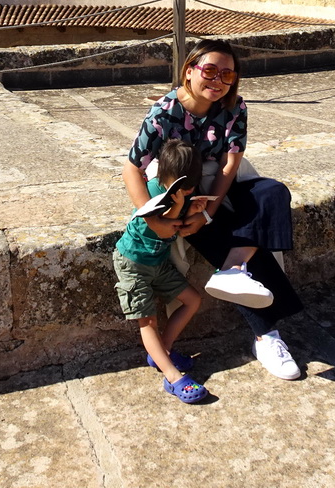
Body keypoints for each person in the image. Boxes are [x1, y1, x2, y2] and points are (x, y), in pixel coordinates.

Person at [123, 38, 303, 380]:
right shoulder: (164, 112)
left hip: (220, 186)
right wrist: (152, 216)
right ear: (189, 71)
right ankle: (267, 334)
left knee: (273, 194)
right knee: (229, 233)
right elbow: (132, 167)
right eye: (209, 70)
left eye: (227, 74)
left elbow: (229, 164)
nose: (218, 80)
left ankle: (232, 269)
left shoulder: (236, 107)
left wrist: (210, 208)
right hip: (184, 190)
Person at [114, 139, 210, 403]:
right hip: (133, 263)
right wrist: (180, 206)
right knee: (147, 320)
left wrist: (193, 207)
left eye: (190, 185)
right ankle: (173, 377)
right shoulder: (154, 192)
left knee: (193, 300)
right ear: (165, 177)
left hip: (158, 263)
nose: (187, 190)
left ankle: (163, 352)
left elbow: (178, 223)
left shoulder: (182, 193)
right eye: (182, 186)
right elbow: (164, 228)